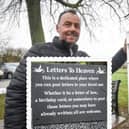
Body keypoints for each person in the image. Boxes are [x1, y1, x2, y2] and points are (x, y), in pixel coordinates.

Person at [4, 9, 127, 129]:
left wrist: (124, 52)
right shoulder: (38, 52)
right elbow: (16, 93)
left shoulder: (82, 57)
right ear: (58, 28)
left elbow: (103, 70)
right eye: (67, 24)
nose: (73, 28)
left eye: (77, 26)